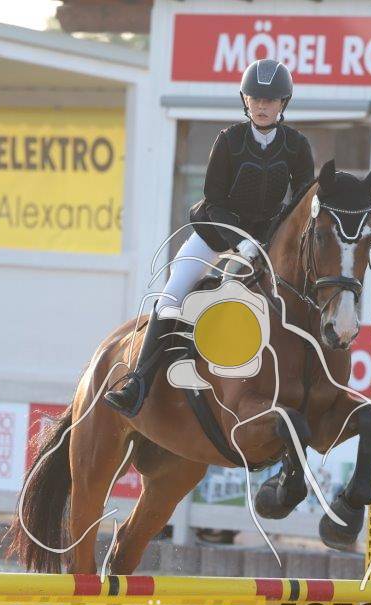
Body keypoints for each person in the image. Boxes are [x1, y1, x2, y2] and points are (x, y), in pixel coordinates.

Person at [104, 58, 315, 416]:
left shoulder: (296, 146)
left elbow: (303, 200)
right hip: (214, 234)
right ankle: (138, 383)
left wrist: (274, 239)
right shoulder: (229, 141)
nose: (262, 106)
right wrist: (238, 241)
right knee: (172, 295)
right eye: (255, 98)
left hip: (265, 243)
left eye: (270, 100)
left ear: (283, 103)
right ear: (245, 100)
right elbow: (214, 201)